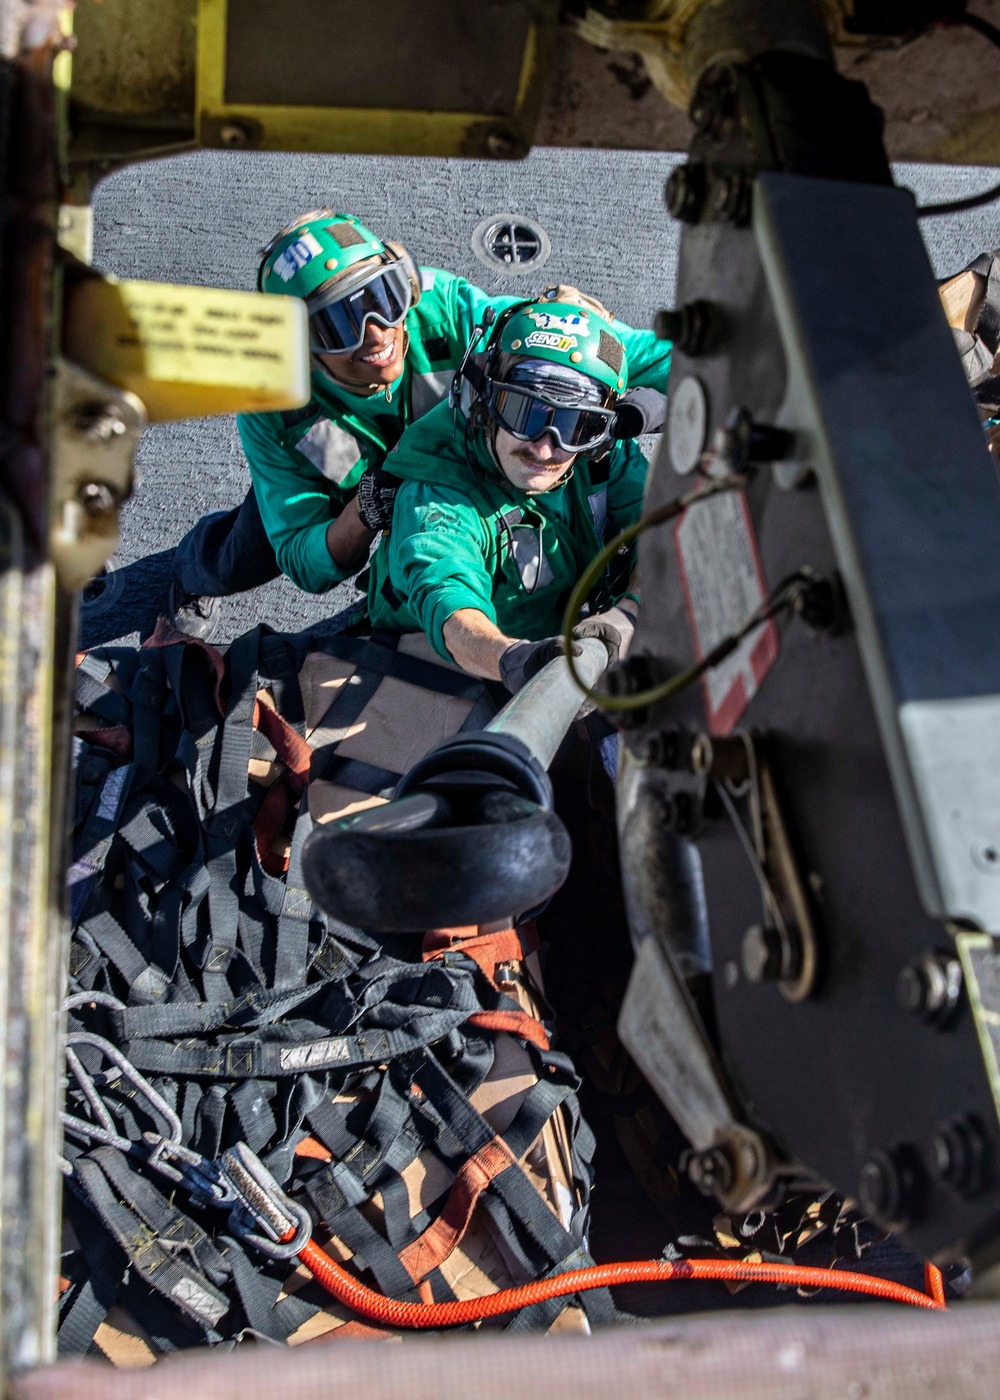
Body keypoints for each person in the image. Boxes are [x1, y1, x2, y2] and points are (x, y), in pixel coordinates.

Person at [168, 209, 672, 641]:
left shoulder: (445, 307)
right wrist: (362, 516)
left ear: (405, 283)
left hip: (458, 475)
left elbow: (611, 353)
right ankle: (189, 576)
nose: (376, 334)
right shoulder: (270, 403)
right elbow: (302, 556)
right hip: (346, 501)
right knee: (242, 555)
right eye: (337, 324)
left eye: (383, 298)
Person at [366, 298, 656, 690]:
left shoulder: (599, 451)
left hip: (556, 632)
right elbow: (452, 609)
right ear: (486, 399)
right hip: (444, 664)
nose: (544, 448)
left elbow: (663, 523)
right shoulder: (436, 497)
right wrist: (514, 660)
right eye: (525, 411)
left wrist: (629, 612)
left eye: (572, 424)